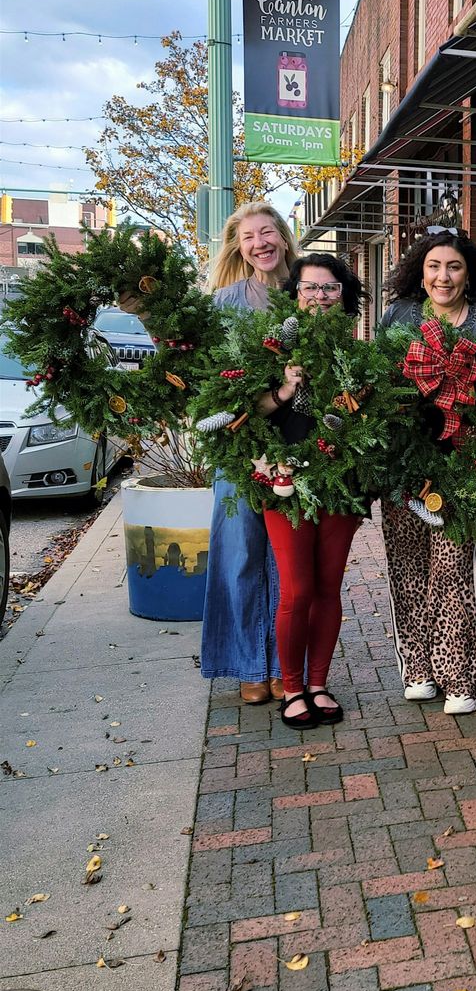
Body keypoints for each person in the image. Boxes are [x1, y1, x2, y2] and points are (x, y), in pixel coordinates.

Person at [378, 228, 476, 715]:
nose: (443, 276)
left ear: (467, 274)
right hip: (404, 466)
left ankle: (461, 677)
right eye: (434, 266)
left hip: (462, 466)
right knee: (407, 568)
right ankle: (418, 670)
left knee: (451, 571)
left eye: (453, 267)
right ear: (421, 272)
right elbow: (378, 384)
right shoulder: (399, 317)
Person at [258, 253, 367, 730]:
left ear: (342, 295)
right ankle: (292, 688)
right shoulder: (270, 346)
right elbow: (247, 409)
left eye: (329, 288)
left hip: (340, 486)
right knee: (297, 589)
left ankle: (318, 683)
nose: (320, 297)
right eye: (310, 288)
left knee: (327, 588)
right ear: (295, 294)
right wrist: (284, 390)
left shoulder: (357, 354)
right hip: (284, 485)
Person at [202, 201, 299, 704]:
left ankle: (284, 666)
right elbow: (204, 372)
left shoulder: (308, 293)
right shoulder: (224, 302)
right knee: (239, 554)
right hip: (238, 445)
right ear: (239, 248)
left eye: (267, 232)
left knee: (287, 559)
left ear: (283, 236)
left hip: (299, 445)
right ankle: (248, 666)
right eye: (248, 237)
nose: (260, 243)